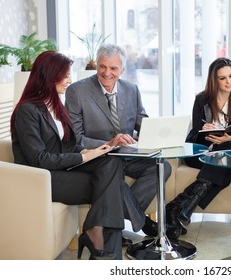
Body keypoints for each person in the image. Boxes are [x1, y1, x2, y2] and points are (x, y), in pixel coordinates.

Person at [10, 50, 146, 260]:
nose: (69, 81)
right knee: (107, 186)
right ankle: (104, 244)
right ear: (49, 76)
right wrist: (84, 157)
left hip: (61, 168)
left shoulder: (54, 105)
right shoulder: (27, 110)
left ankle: (97, 237)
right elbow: (39, 160)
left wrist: (97, 150)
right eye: (65, 76)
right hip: (42, 177)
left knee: (110, 163)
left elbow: (68, 145)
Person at [65, 43, 170, 242]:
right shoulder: (77, 91)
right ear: (96, 65)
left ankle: (120, 218)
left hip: (127, 154)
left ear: (122, 69)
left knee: (162, 167)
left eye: (113, 68)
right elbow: (75, 138)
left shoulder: (132, 89)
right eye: (102, 67)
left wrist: (161, 134)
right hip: (99, 157)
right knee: (113, 175)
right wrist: (109, 143)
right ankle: (141, 222)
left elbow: (143, 124)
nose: (107, 73)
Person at [165, 57, 231, 239]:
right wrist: (205, 129)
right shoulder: (202, 99)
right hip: (201, 150)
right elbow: (195, 131)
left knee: (226, 154)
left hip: (227, 149)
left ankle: (178, 207)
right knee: (226, 170)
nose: (229, 81)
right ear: (214, 80)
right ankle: (180, 211)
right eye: (223, 78)